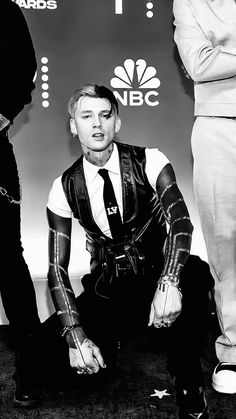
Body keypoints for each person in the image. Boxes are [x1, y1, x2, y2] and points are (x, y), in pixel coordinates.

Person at [17, 84, 210, 418]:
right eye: (87, 116)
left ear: (116, 123)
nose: (97, 124)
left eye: (105, 115)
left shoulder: (150, 159)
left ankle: (188, 382)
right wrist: (75, 334)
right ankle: (108, 347)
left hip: (156, 278)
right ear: (73, 126)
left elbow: (181, 223)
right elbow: (57, 269)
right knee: (32, 363)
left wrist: (169, 280)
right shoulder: (63, 187)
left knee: (195, 274)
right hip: (109, 292)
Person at [173, 0, 236, 395]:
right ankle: (233, 349)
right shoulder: (190, 0)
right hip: (219, 127)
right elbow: (199, 63)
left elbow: (216, 58)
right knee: (226, 244)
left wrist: (223, 51)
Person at [0, 0, 41, 407]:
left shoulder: (6, 10)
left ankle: (30, 371)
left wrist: (1, 112)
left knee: (7, 260)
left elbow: (23, 70)